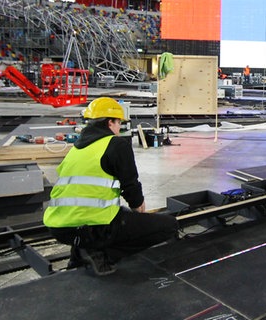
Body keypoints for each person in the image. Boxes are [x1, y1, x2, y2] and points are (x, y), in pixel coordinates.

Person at [43, 97, 178, 276]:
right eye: (118, 123)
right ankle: (101, 254)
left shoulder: (77, 148)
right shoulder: (116, 144)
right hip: (94, 228)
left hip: (61, 227)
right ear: (110, 122)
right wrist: (139, 211)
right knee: (169, 226)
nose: (119, 128)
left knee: (121, 218)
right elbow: (130, 185)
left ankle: (81, 250)